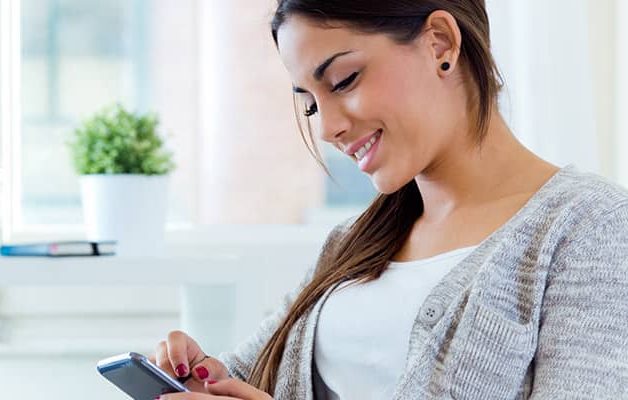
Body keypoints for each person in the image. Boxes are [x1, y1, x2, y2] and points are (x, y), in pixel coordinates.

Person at [149, 1, 628, 398]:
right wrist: (198, 377)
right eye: (312, 102)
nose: (328, 128)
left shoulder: (593, 228)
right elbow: (245, 373)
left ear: (439, 43)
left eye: (343, 81)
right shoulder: (353, 243)